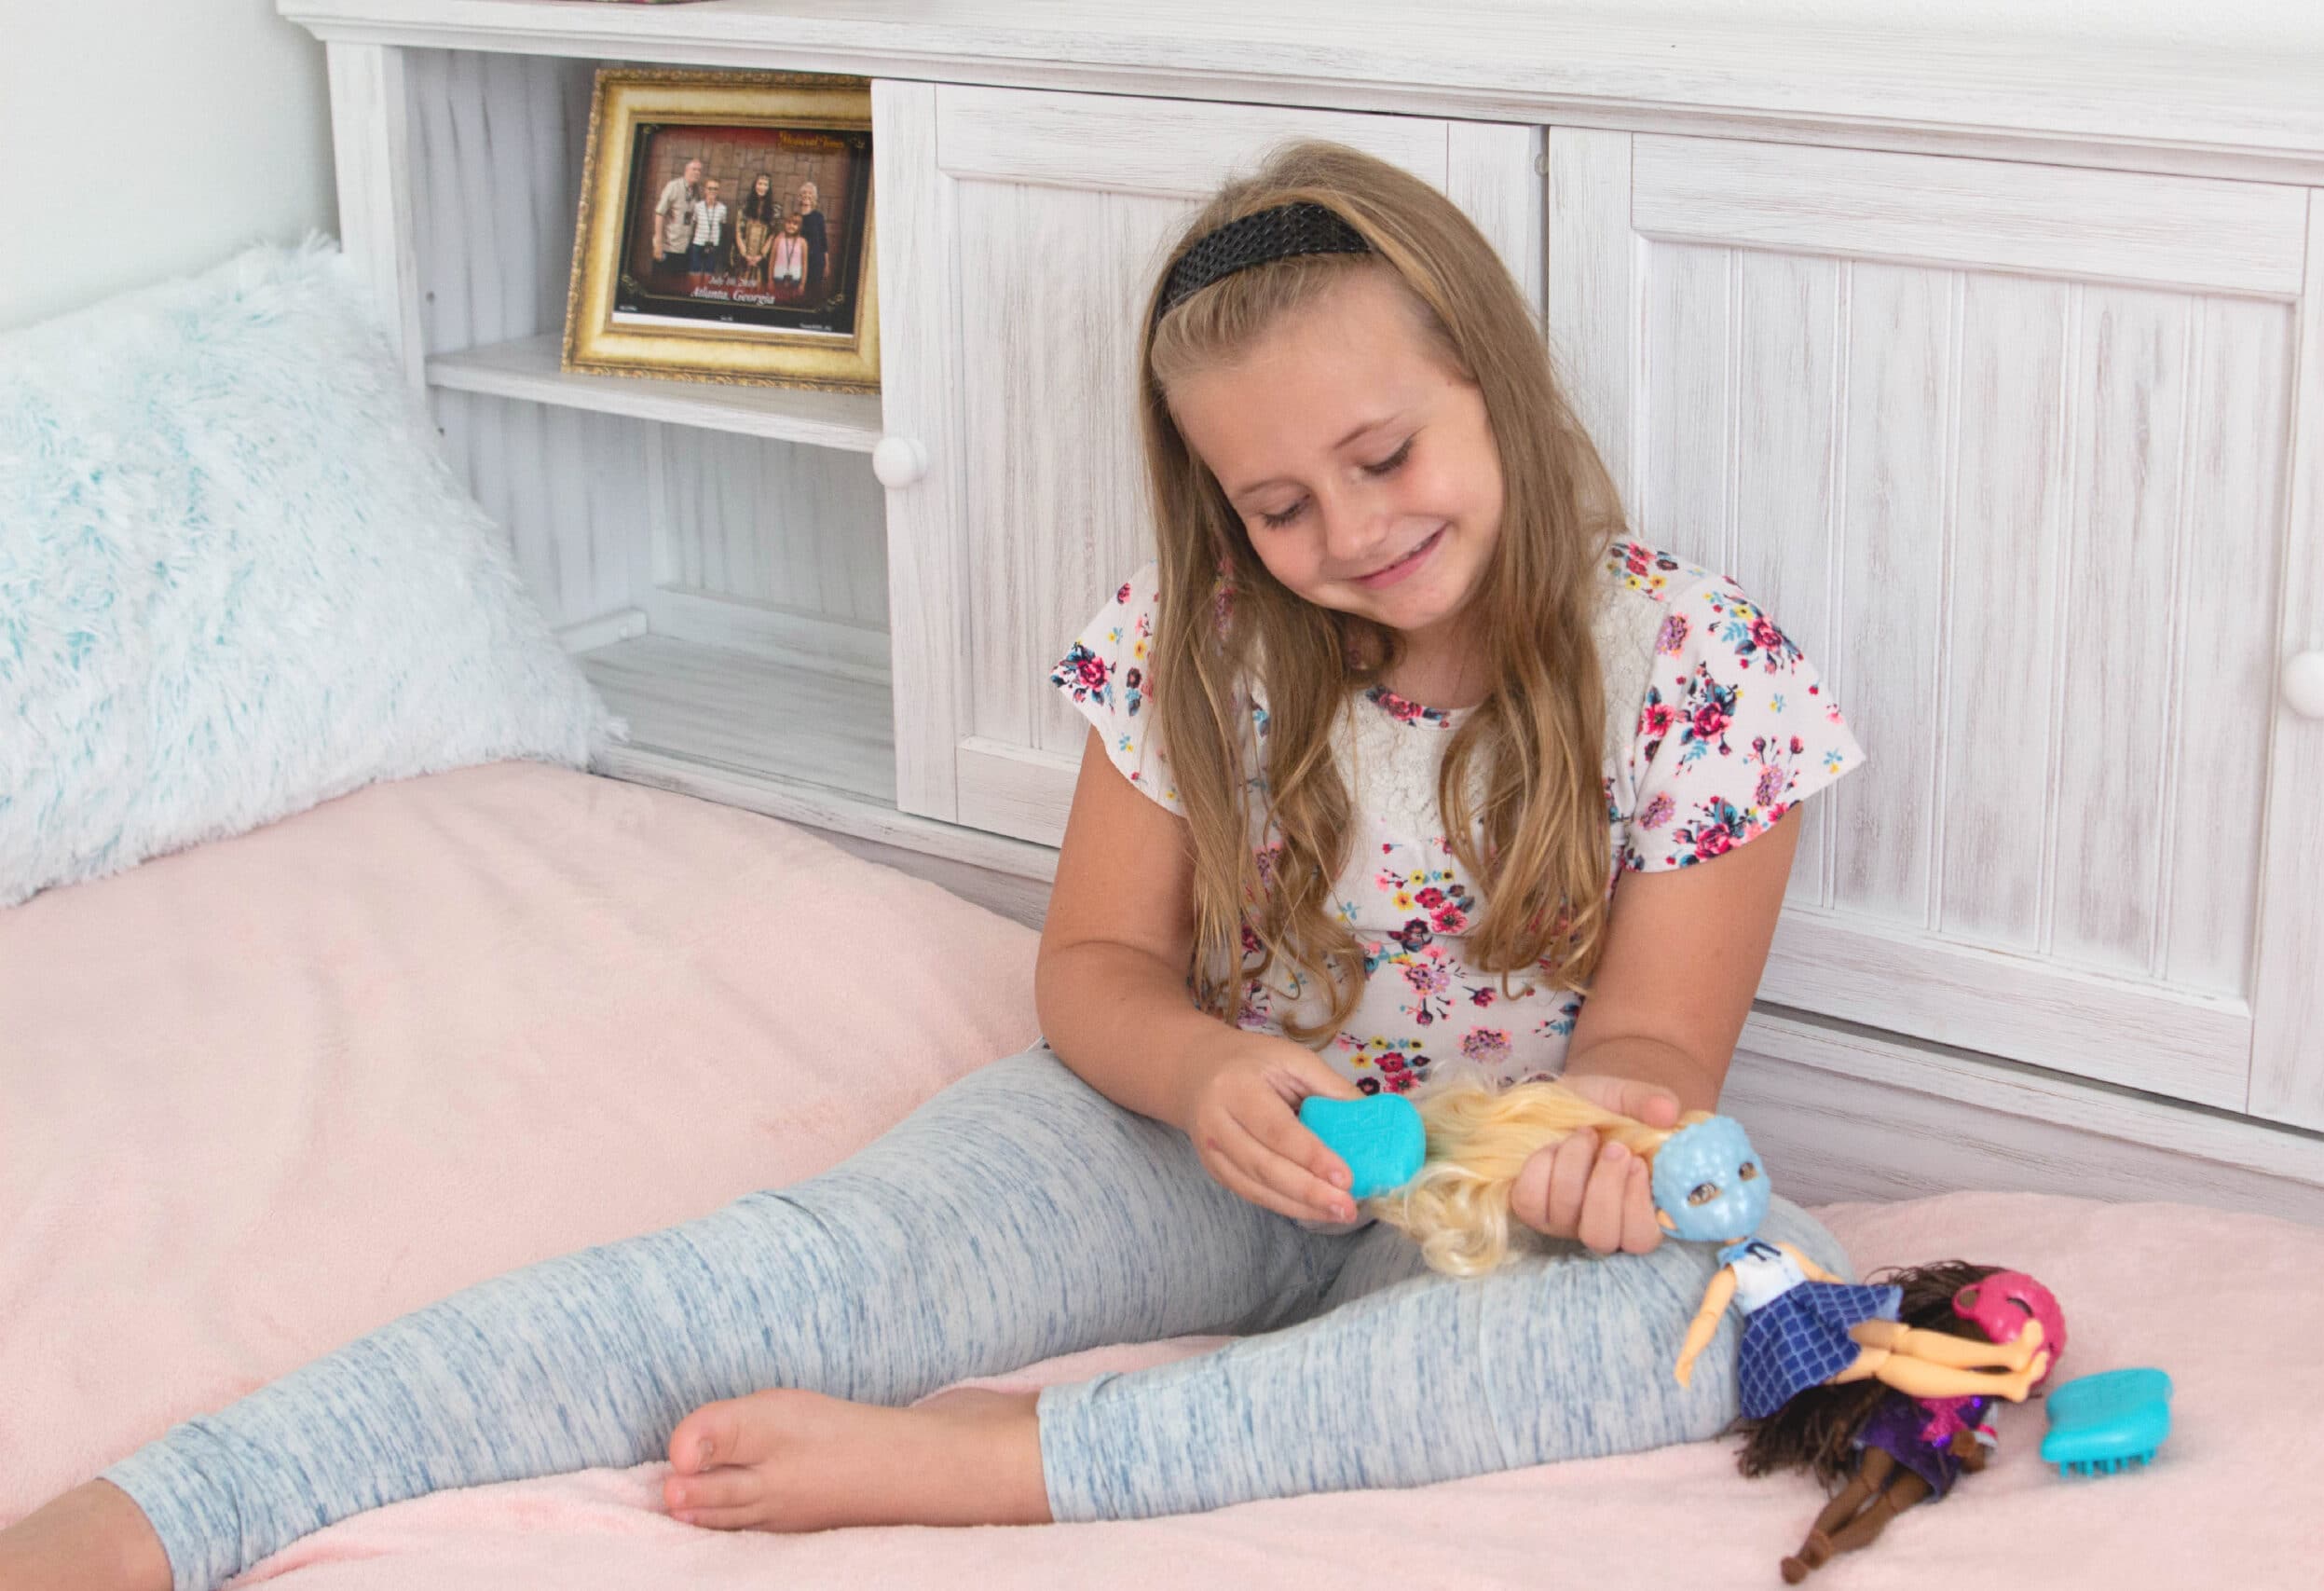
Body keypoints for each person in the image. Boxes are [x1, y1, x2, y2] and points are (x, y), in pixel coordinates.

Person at [0, 138, 1867, 1591]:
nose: (1346, 530)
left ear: (1495, 384)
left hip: (1491, 1206)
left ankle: (1006, 1462)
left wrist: (1597, 1153)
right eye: (1276, 503)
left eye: (1382, 456)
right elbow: (1092, 974)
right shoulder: (1193, 644)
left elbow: (1652, 1066)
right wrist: (1211, 1073)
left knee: (1733, 1305)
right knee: (783, 1271)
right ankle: (175, 1502)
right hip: (1186, 1140)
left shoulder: (1694, 675)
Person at [649, 156, 703, 278]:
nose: (697, 172)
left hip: (684, 249)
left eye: (699, 170)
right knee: (661, 285)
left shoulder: (696, 191)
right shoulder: (673, 186)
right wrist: (658, 242)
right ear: (686, 170)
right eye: (694, 169)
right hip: (668, 247)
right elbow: (659, 213)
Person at [734, 171, 781, 285]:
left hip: (761, 257)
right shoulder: (744, 206)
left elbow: (772, 235)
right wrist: (745, 255)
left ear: (769, 188)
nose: (762, 187)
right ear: (755, 185)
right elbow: (738, 231)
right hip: (745, 254)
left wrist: (761, 256)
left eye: (765, 185)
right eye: (760, 183)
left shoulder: (774, 210)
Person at [792, 179, 828, 302]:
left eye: (810, 194)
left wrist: (826, 264)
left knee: (813, 294)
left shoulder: (818, 217)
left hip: (816, 261)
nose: (807, 196)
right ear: (800, 197)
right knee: (798, 293)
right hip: (799, 261)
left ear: (813, 198)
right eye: (804, 193)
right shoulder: (795, 217)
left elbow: (823, 242)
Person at [767, 211, 806, 299]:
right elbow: (772, 260)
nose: (791, 226)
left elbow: (804, 264)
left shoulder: (803, 242)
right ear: (785, 224)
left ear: (799, 226)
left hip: (795, 279)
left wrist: (802, 284)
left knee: (792, 302)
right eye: (789, 222)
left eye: (795, 224)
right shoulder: (779, 239)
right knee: (777, 301)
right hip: (778, 277)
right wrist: (770, 280)